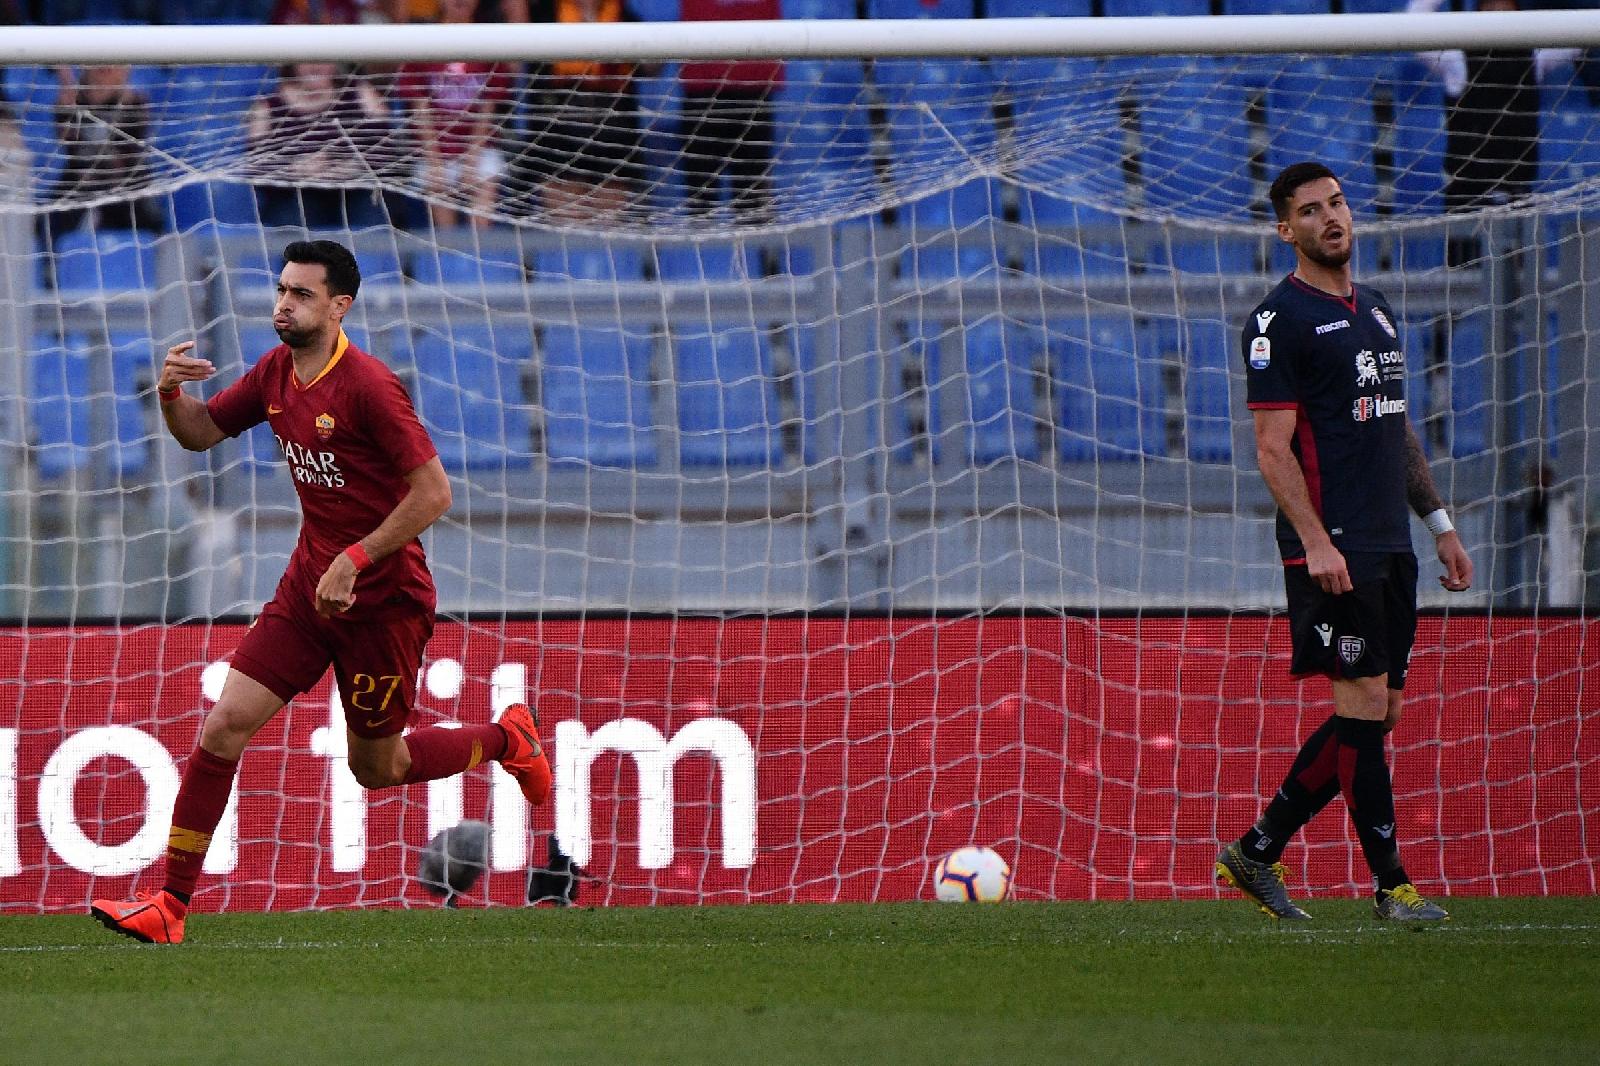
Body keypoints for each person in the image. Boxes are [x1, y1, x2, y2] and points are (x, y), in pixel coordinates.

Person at [90, 240, 552, 944]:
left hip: (382, 604)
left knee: (379, 766)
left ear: (340, 306)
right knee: (223, 727)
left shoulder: (368, 387)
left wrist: (358, 558)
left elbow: (434, 493)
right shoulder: (277, 371)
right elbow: (201, 433)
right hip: (308, 589)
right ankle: (170, 906)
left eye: (302, 294)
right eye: (281, 289)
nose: (284, 303)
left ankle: (506, 738)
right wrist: (169, 393)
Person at [1216, 161, 1475, 924]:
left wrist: (1441, 527)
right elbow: (1272, 449)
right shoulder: (1278, 321)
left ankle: (1257, 850)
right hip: (1331, 546)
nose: (1331, 218)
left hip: (1390, 542)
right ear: (1285, 229)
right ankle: (1393, 887)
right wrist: (1314, 543)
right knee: (1361, 704)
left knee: (1380, 713)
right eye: (1310, 210)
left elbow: (1397, 433)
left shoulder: (1381, 312)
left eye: (1337, 203)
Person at [396, 0, 517, 228]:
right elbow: (419, 108)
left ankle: (479, 259)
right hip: (434, 149)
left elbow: (488, 108)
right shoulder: (421, 43)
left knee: (484, 185)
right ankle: (449, 260)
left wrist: (472, 159)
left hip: (479, 148)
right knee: (439, 192)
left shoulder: (490, 42)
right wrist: (435, 162)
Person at [246, 62, 395, 229]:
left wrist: (353, 166)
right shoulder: (267, 107)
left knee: (373, 216)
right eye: (307, 59)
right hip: (295, 196)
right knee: (294, 218)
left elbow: (389, 153)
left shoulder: (361, 93)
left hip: (357, 190)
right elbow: (256, 169)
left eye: (322, 59)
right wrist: (295, 171)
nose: (315, 67)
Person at [39, 64, 168, 250]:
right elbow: (67, 141)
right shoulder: (69, 102)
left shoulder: (135, 103)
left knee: (143, 216)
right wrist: (66, 80)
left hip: (127, 190)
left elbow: (126, 159)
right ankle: (53, 270)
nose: (106, 67)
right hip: (79, 189)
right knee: (55, 217)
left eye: (114, 64)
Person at [677, 0, 781, 223]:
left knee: (752, 198)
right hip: (702, 90)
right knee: (701, 200)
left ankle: (758, 252)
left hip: (754, 88)